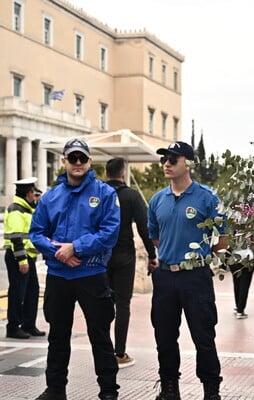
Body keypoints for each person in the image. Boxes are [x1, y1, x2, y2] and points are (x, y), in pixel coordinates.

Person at [29, 138, 121, 400]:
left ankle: (108, 391)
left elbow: (109, 233)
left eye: (82, 158)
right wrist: (61, 253)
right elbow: (36, 233)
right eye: (73, 158)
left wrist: (76, 248)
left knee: (100, 335)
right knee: (57, 336)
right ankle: (55, 389)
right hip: (59, 275)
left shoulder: (105, 194)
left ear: (90, 161)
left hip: (91, 275)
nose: (77, 163)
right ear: (64, 161)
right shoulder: (50, 197)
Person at [147, 141, 227, 400]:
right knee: (165, 336)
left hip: (196, 277)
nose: (167, 164)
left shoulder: (207, 197)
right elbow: (156, 237)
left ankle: (211, 390)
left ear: (188, 163)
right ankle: (169, 388)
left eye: (173, 159)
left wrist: (203, 257)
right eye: (164, 160)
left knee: (204, 335)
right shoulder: (157, 200)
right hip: (165, 276)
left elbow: (223, 237)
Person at [105, 157, 158, 368]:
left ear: (107, 173)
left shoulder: (99, 194)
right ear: (123, 173)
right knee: (123, 304)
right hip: (124, 256)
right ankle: (119, 353)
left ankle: (103, 350)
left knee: (102, 303)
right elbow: (145, 229)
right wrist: (152, 254)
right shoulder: (132, 196)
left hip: (100, 256)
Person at [3, 177, 45, 339]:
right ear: (28, 193)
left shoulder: (27, 209)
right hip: (18, 257)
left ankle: (28, 324)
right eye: (33, 193)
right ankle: (13, 327)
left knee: (32, 292)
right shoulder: (16, 209)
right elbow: (15, 237)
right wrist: (22, 261)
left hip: (28, 257)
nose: (34, 196)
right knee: (17, 293)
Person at [229, 248, 254, 319]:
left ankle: (238, 306)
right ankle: (240, 310)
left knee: (236, 283)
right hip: (248, 259)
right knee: (245, 285)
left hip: (234, 260)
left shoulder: (230, 236)